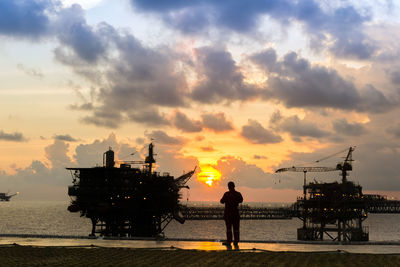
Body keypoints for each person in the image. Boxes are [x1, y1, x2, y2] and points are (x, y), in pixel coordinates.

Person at [220, 181, 243, 248]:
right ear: (234, 186)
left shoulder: (226, 194)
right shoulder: (238, 194)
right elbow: (241, 200)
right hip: (235, 214)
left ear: (228, 187)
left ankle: (229, 241)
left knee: (229, 229)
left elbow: (221, 201)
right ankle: (236, 241)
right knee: (236, 229)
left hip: (228, 214)